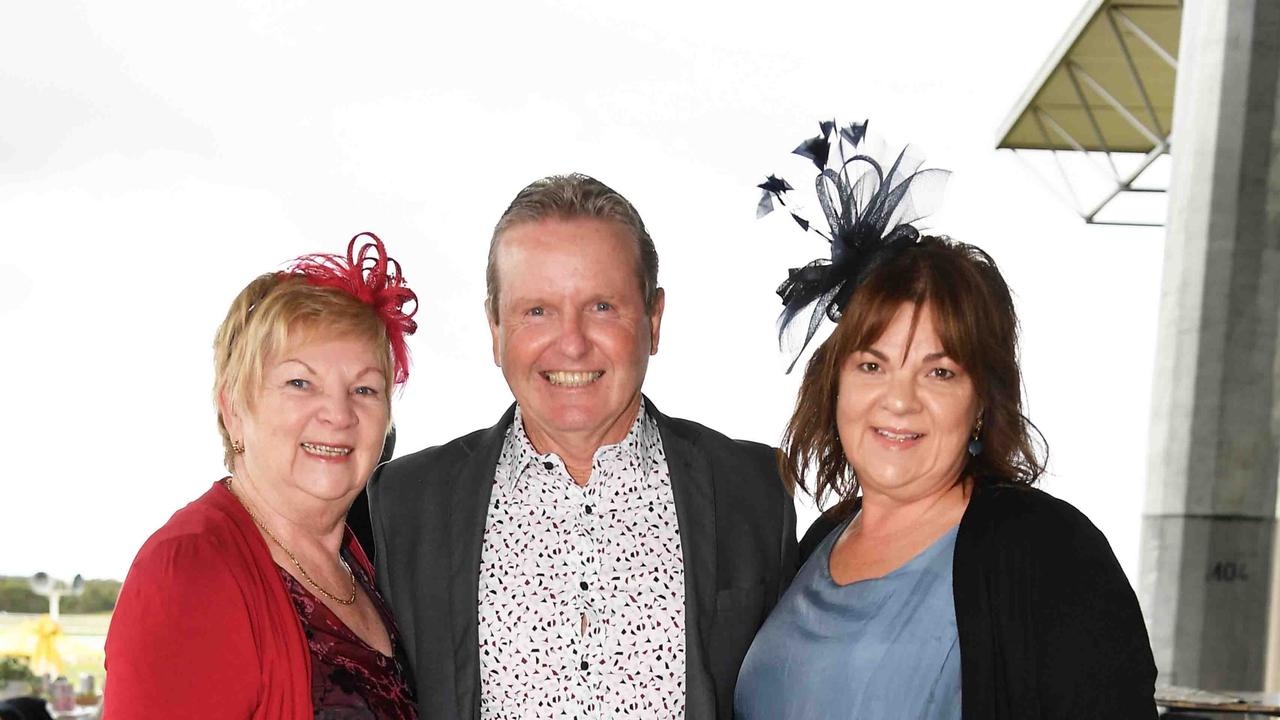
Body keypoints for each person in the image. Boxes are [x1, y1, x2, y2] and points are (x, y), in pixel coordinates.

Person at [734, 121, 1158, 719]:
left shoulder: (1046, 551)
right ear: (835, 384)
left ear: (981, 397)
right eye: (873, 365)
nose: (899, 400)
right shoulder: (814, 546)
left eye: (939, 373)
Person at [367, 173, 797, 720]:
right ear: (495, 328)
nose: (571, 343)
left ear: (654, 320)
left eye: (601, 306)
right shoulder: (404, 504)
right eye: (537, 311)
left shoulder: (755, 488)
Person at [103, 234, 419, 719]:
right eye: (300, 383)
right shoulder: (190, 571)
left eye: (364, 388)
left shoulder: (358, 566)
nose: (338, 414)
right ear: (234, 411)